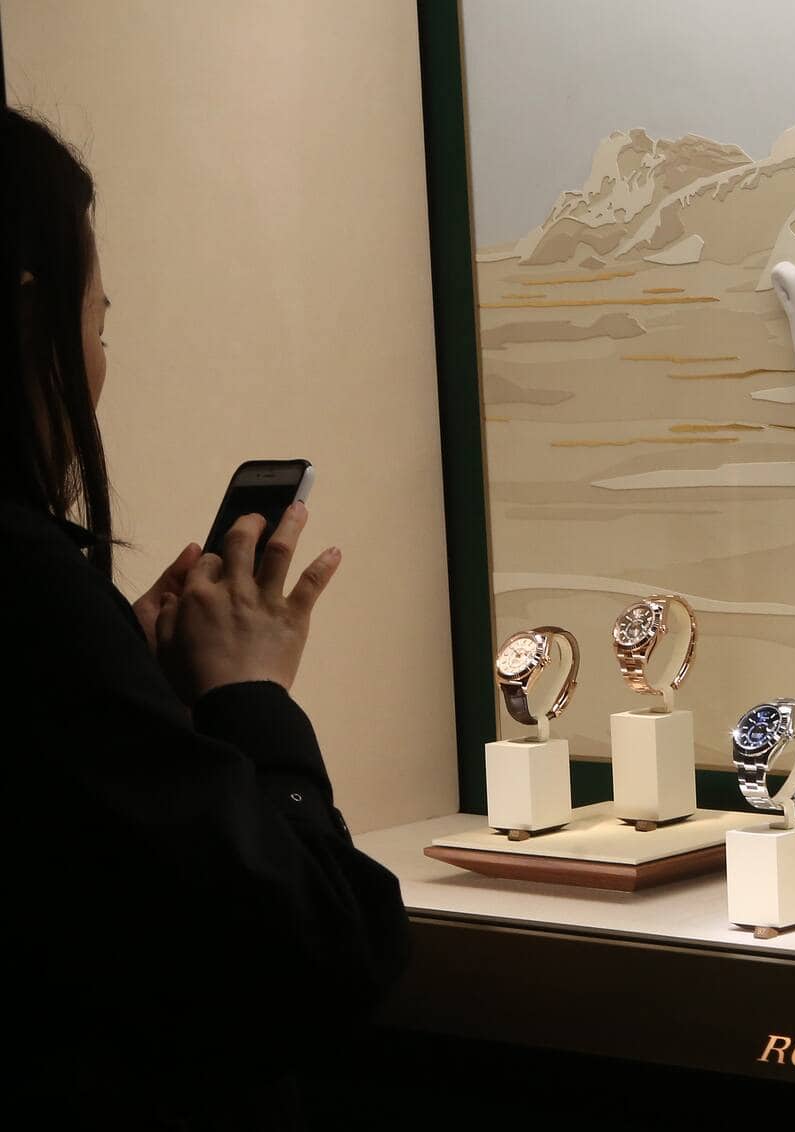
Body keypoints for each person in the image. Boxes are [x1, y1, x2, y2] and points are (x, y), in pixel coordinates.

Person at [2, 107, 409, 1127]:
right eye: (97, 323)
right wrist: (250, 696)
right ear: (28, 318)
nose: (98, 360)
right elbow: (315, 956)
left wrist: (130, 691)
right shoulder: (28, 590)